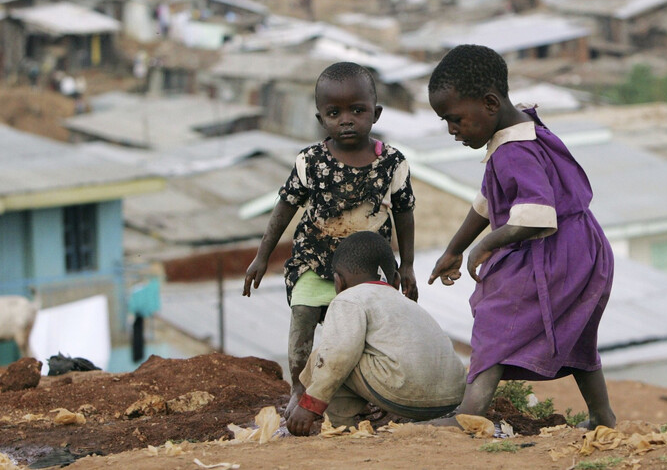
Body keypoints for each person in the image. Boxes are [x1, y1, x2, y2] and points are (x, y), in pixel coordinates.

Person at [426, 44, 617, 430]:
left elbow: (537, 215)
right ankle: (602, 416)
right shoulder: (524, 127)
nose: (451, 130)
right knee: (577, 330)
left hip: (555, 250)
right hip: (582, 247)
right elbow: (488, 200)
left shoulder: (512, 151)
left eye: (455, 119)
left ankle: (470, 413)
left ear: (490, 103)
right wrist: (453, 248)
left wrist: (485, 245)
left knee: (496, 318)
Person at [243, 61, 418, 418]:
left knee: (368, 339)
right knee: (303, 322)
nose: (347, 119)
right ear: (321, 119)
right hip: (314, 261)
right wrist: (262, 256)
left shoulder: (393, 164)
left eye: (358, 110)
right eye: (335, 112)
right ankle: (299, 390)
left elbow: (404, 212)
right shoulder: (311, 161)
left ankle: (372, 397)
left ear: (376, 113)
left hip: (366, 272)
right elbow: (285, 207)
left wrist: (408, 264)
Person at [287, 231, 465, 436]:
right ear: (396, 280)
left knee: (327, 356)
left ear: (338, 282)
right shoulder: (408, 304)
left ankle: (342, 426)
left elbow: (338, 354)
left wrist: (310, 405)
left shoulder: (348, 298)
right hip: (452, 395)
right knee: (351, 354)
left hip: (405, 392)